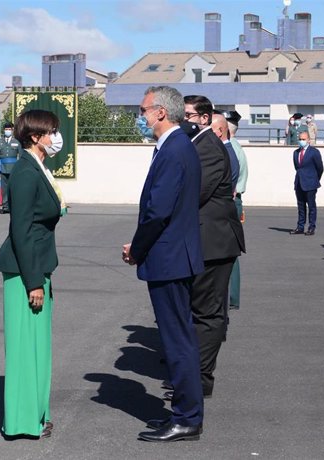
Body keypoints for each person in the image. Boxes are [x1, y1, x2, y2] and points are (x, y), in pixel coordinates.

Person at [122, 86, 204, 442]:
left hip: (169, 259)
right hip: (173, 256)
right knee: (177, 338)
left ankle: (187, 417)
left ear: (160, 112)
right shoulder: (176, 146)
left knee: (177, 341)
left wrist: (137, 249)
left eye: (143, 111)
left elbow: (158, 211)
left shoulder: (174, 149)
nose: (140, 117)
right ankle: (183, 413)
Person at [0, 109, 66, 439]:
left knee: (38, 347)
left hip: (38, 265)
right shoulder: (24, 172)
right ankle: (22, 421)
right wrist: (33, 281)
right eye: (51, 132)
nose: (56, 138)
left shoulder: (38, 168)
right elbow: (20, 229)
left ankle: (37, 415)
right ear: (35, 137)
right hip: (25, 271)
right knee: (25, 348)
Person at [183, 95, 244, 399]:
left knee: (207, 314)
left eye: (189, 115)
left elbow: (196, 193)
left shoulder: (207, 148)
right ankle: (197, 375)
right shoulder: (200, 145)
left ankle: (199, 379)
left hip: (214, 242)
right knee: (204, 311)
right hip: (209, 239)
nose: (185, 121)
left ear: (205, 119)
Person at [212, 112, 243, 312]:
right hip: (230, 203)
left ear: (222, 130)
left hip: (227, 206)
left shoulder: (228, 152)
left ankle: (228, 298)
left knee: (226, 255)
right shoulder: (230, 149)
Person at [223, 110, 248, 311]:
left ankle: (231, 297)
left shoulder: (233, 150)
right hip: (234, 200)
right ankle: (232, 296)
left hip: (231, 200)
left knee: (229, 252)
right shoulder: (237, 148)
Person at [290, 131, 324, 235]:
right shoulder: (296, 153)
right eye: (300, 139)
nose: (301, 141)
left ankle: (311, 227)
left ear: (308, 140)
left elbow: (320, 168)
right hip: (299, 183)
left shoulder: (314, 152)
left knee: (311, 206)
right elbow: (297, 168)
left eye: (303, 139)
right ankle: (300, 227)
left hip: (310, 183)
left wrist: (314, 179)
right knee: (301, 206)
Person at [0, 121, 20, 213]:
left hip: (13, 169)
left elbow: (20, 156)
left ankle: (12, 205)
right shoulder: (0, 142)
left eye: (9, 129)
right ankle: (5, 206)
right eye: (6, 129)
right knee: (4, 188)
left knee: (13, 188)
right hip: (3, 168)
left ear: (12, 130)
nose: (8, 131)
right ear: (4, 130)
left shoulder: (16, 142)